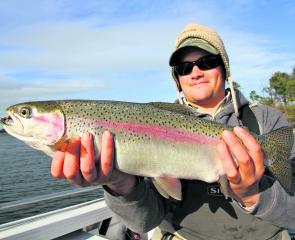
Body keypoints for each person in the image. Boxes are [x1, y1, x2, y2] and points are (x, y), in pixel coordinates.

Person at [51, 23, 295, 239]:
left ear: (225, 67)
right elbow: (144, 222)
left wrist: (252, 194)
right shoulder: (151, 124)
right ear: (177, 78)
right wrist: (119, 183)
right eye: (184, 67)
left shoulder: (267, 120)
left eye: (207, 62)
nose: (196, 72)